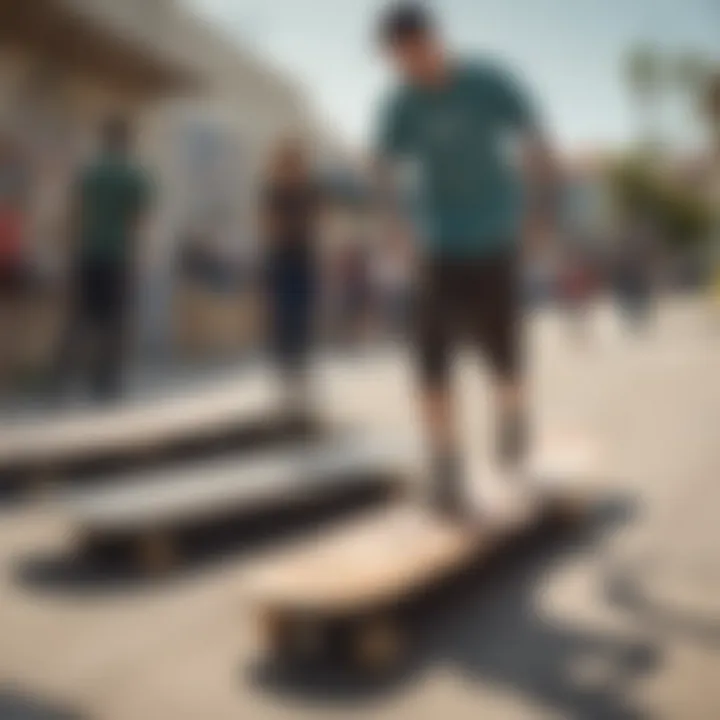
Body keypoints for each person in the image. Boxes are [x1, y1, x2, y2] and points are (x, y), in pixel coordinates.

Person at [374, 3, 557, 517]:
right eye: (400, 59)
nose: (413, 67)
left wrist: (541, 212)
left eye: (418, 53)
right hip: (437, 245)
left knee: (504, 355)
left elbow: (535, 138)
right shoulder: (400, 103)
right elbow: (383, 165)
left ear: (436, 40)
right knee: (429, 357)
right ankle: (446, 465)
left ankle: (513, 416)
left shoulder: (487, 81)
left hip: (497, 234)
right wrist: (394, 225)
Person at [55, 116, 151, 402]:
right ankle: (105, 382)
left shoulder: (91, 172)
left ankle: (60, 378)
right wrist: (136, 255)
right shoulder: (132, 175)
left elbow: (76, 211)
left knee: (79, 316)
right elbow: (137, 219)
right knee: (114, 319)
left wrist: (72, 246)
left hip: (88, 251)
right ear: (127, 142)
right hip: (116, 253)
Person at [260, 138, 321, 418]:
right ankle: (287, 381)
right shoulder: (273, 193)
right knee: (283, 320)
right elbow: (268, 225)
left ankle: (300, 379)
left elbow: (316, 224)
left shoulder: (309, 192)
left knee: (301, 320)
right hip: (282, 259)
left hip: (303, 259)